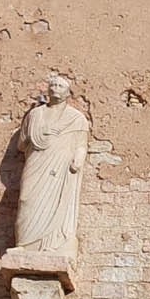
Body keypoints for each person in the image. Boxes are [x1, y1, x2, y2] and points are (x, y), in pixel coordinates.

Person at [14, 75, 89, 257]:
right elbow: (21, 144)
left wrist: (78, 159)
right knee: (26, 199)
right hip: (37, 162)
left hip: (61, 166)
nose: (55, 88)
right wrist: (39, 134)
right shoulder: (35, 114)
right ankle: (23, 244)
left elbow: (81, 144)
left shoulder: (76, 118)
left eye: (60, 86)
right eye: (53, 85)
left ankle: (54, 244)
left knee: (56, 203)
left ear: (67, 92)